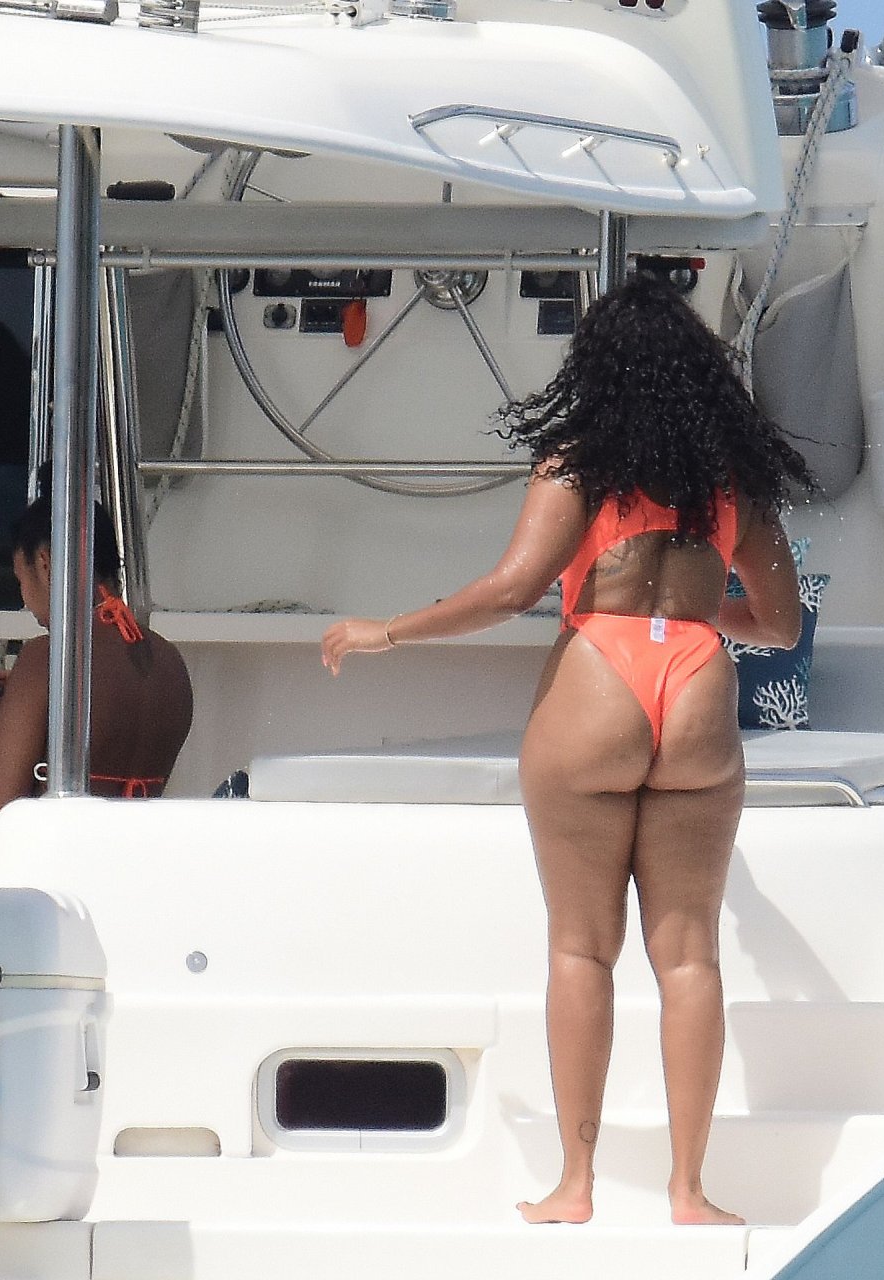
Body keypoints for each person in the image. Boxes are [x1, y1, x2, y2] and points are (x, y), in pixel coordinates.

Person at [321, 275, 816, 1226]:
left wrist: (389, 630)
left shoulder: (579, 466)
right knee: (690, 959)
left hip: (598, 686)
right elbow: (782, 625)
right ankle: (689, 1192)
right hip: (697, 688)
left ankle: (576, 1185)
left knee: (582, 950)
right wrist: (689, 615)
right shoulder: (732, 489)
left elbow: (512, 590)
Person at [0, 473, 193, 806]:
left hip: (61, 839)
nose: (26, 600)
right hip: (135, 839)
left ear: (45, 564)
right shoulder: (169, 660)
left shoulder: (48, 658)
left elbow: (4, 806)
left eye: (21, 580)